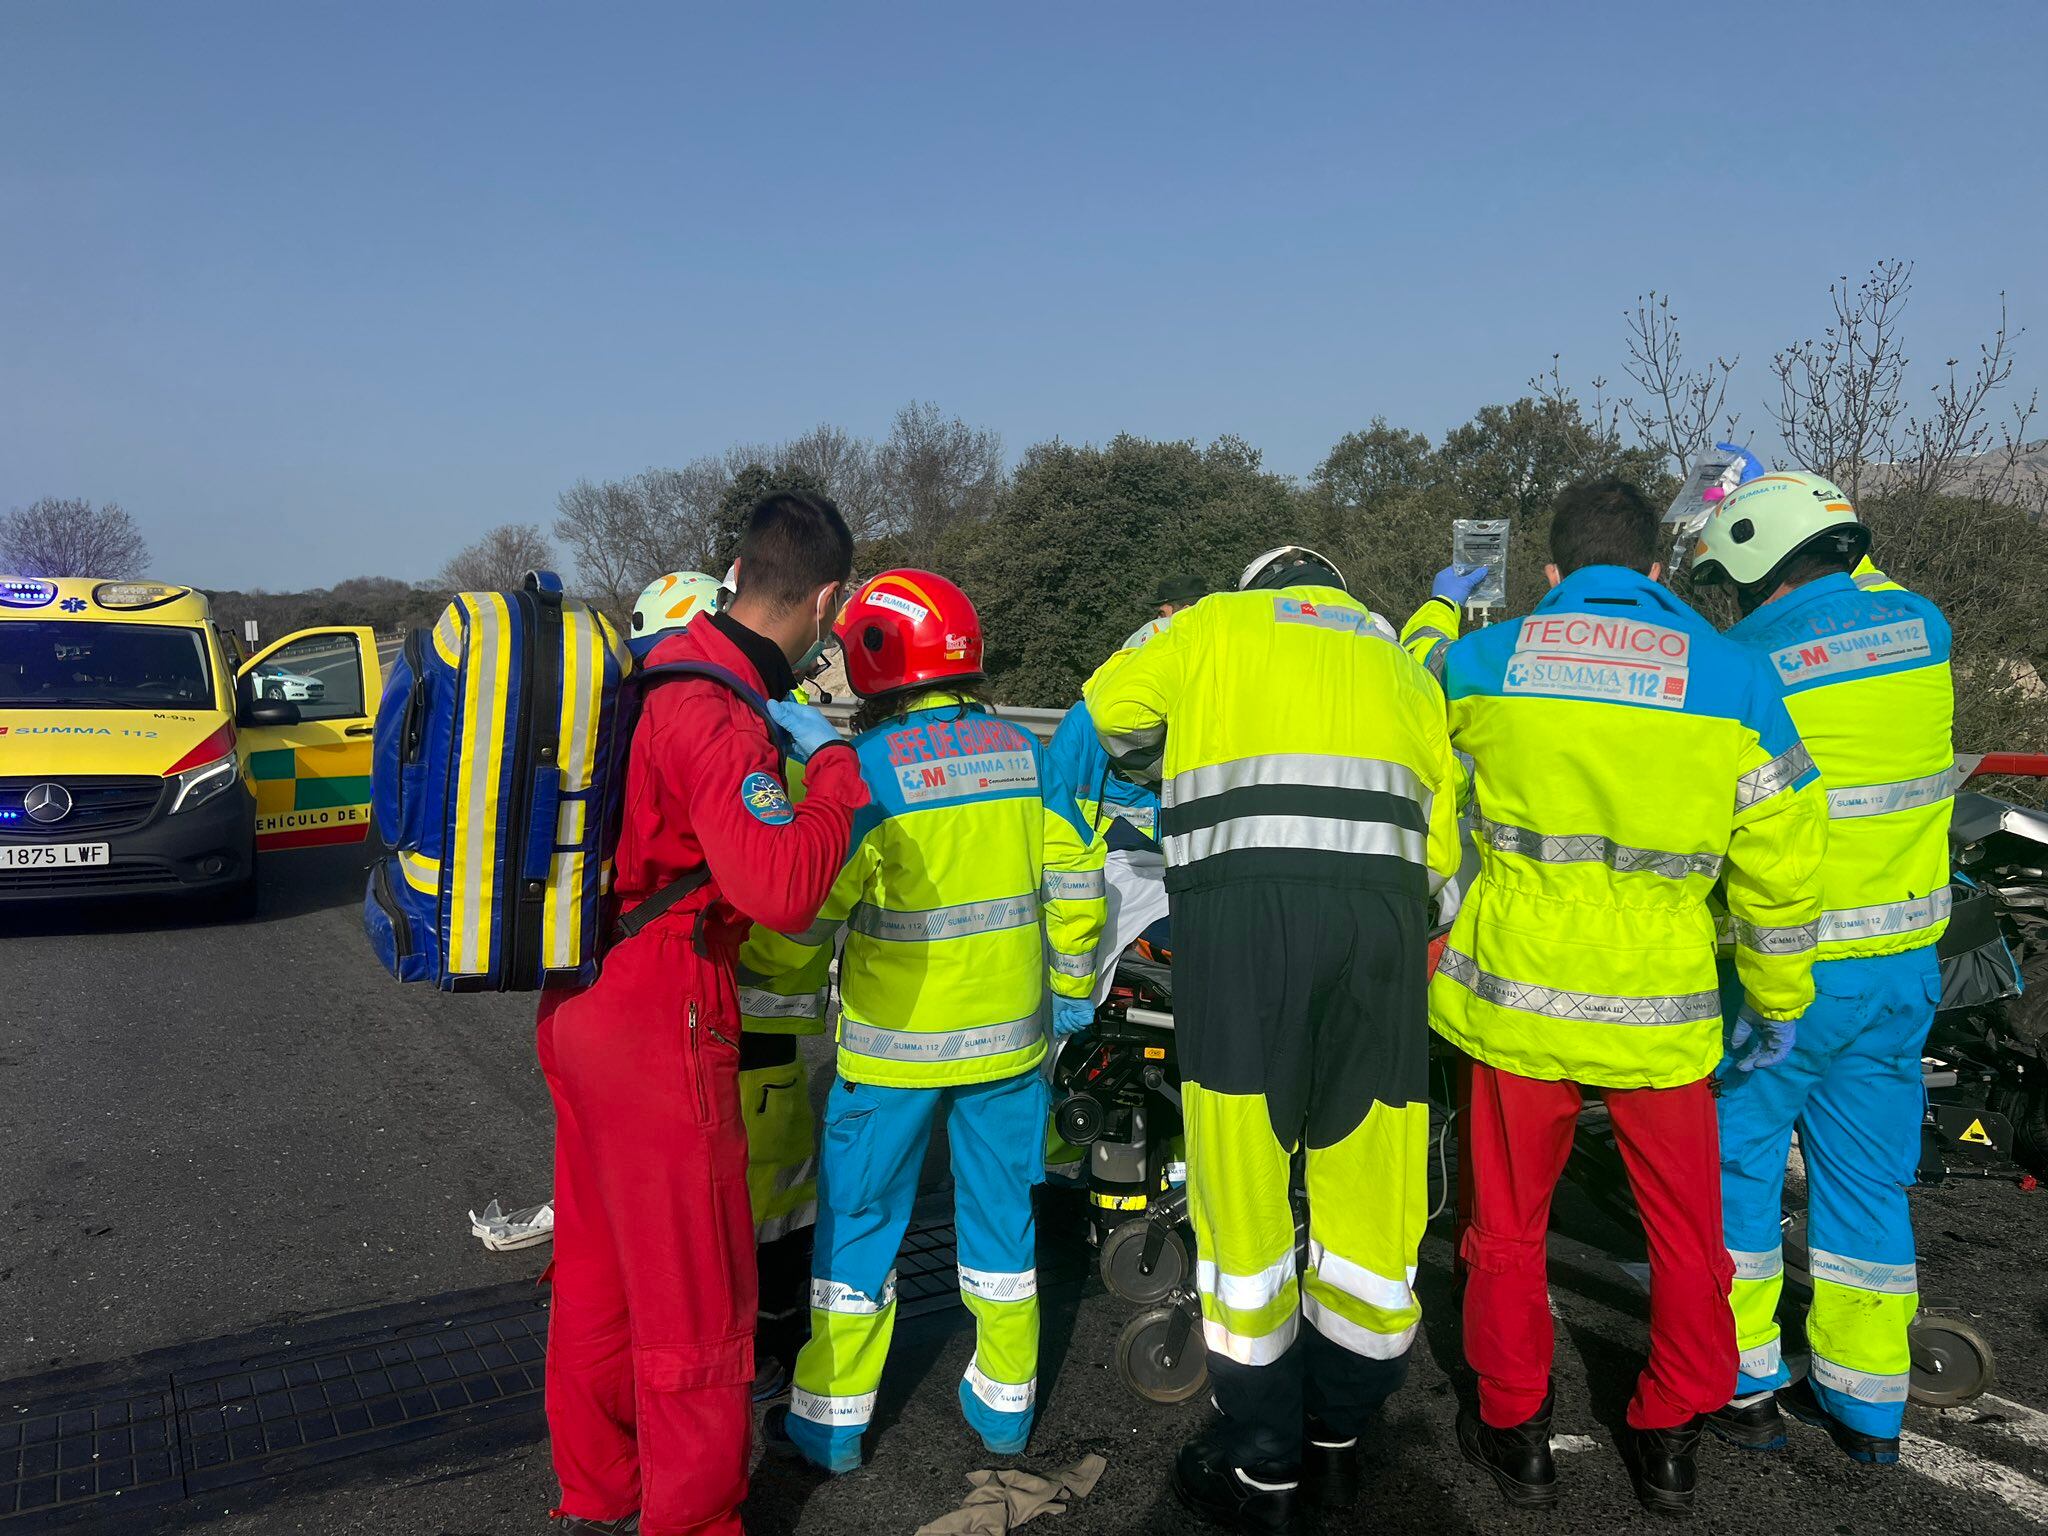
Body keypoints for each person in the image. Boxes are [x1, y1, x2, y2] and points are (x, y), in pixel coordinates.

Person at [1407, 477, 1828, 1518]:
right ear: (1652, 571)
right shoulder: (1736, 679)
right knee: (1685, 1235)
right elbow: (1781, 866)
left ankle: (1513, 1428)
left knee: (1505, 1229)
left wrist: (1443, 928)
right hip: (1664, 1014)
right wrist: (1774, 1000)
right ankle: (1672, 1431)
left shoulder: (1476, 662)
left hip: (1512, 1002)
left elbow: (1422, 819)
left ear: (1550, 575)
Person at [1086, 545, 1462, 1535]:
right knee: (1368, 1192)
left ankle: (1260, 1467)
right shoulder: (1395, 662)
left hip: (1242, 930)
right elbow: (1445, 845)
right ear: (1335, 591)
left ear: (1257, 589)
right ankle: (1339, 1439)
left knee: (1242, 1191)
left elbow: (1107, 712)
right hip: (1379, 931)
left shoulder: (1205, 626)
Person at [535, 496, 869, 1536]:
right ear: (825, 601)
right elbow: (778, 888)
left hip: (580, 997)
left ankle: (600, 1488)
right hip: (661, 1015)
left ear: (730, 570)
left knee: (599, 1271)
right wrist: (837, 777)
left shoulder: (649, 669)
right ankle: (694, 1520)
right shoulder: (719, 716)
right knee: (695, 1295)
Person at [747, 570, 1106, 1473]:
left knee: (861, 1230)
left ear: (875, 663)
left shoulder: (863, 776)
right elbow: (1078, 883)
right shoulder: (1027, 756)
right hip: (1011, 1046)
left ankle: (829, 1427)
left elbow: (810, 911)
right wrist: (1066, 991)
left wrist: (766, 999)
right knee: (1002, 1223)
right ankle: (1004, 1409)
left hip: (893, 1054)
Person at [1690, 473, 1954, 1465]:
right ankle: (1864, 1407)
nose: (1731, 599)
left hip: (1786, 976)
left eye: (1732, 579)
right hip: (1897, 976)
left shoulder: (1748, 656)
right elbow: (1859, 601)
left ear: (1763, 566)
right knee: (1866, 1186)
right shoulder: (1923, 627)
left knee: (1739, 1177)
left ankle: (1743, 1381)